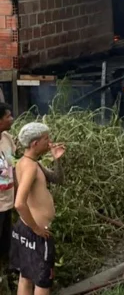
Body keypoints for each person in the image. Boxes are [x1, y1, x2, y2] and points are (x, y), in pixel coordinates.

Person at [11, 122, 65, 295]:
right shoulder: (31, 167)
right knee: (43, 280)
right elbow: (19, 203)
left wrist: (57, 158)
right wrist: (37, 229)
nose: (50, 142)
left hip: (24, 229)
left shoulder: (28, 162)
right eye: (46, 139)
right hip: (37, 233)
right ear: (35, 143)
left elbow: (58, 179)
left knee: (26, 276)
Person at [0, 104, 15, 270]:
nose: (12, 119)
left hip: (8, 199)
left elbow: (13, 165)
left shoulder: (7, 138)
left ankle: (6, 271)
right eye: (8, 116)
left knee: (6, 238)